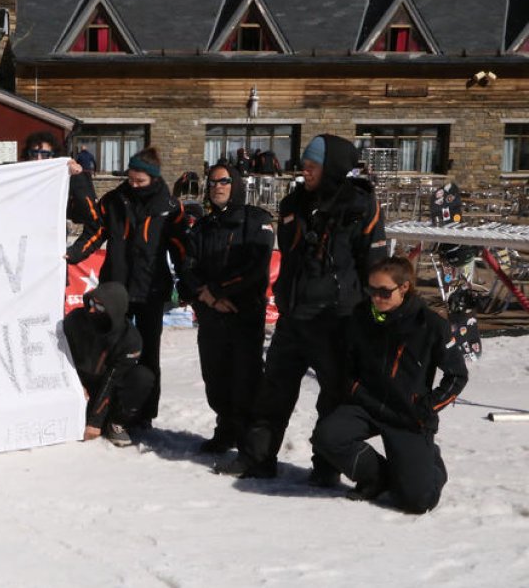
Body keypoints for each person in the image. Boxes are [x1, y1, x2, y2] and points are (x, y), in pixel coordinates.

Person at [217, 134, 386, 482]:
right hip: (294, 316)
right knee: (272, 392)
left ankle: (327, 467)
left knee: (333, 397)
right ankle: (258, 458)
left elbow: (374, 264)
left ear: (331, 168)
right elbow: (291, 256)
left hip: (337, 320)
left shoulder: (361, 205)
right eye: (304, 165)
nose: (304, 172)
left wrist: (374, 318)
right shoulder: (293, 203)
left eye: (312, 167)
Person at [312, 256, 467, 513]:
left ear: (404, 287)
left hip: (408, 415)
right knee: (327, 437)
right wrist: (354, 388)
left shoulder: (430, 325)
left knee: (416, 502)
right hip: (367, 404)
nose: (376, 298)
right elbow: (346, 363)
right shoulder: (361, 317)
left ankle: (430, 461)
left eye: (384, 292)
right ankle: (378, 478)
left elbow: (457, 375)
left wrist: (427, 406)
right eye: (371, 290)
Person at [67, 147, 183, 437]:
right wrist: (73, 255)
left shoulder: (169, 206)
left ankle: (142, 414)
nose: (133, 184)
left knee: (148, 354)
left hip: (150, 289)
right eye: (130, 178)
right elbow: (95, 232)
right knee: (109, 350)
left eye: (140, 181)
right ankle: (103, 409)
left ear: (153, 178)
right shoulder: (114, 200)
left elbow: (181, 249)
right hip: (116, 290)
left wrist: (188, 284)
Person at [178, 164, 273, 453]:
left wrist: (219, 290)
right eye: (212, 182)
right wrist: (208, 296)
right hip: (210, 314)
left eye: (224, 181)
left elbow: (257, 265)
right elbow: (188, 268)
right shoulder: (203, 226)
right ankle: (226, 429)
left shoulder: (256, 220)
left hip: (243, 313)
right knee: (214, 377)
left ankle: (248, 439)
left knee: (245, 379)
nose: (217, 187)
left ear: (236, 185)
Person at [64, 282, 153, 446]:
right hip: (77, 385)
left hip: (106, 391)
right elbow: (61, 358)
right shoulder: (75, 320)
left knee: (142, 377)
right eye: (91, 303)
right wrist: (74, 384)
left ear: (113, 310)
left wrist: (95, 422)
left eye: (99, 307)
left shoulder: (130, 339)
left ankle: (116, 423)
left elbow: (112, 381)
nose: (91, 310)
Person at [23, 131, 92, 226]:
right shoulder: (21, 179)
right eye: (34, 154)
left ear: (54, 157)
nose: (39, 159)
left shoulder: (63, 180)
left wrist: (77, 177)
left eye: (45, 155)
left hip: (52, 231)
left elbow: (84, 214)